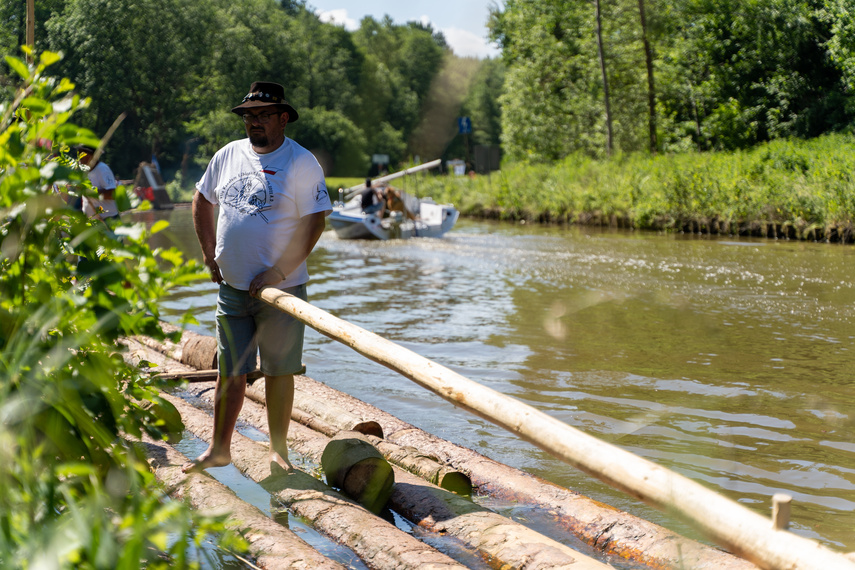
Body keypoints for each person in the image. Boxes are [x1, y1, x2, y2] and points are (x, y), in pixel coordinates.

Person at [184, 81, 332, 474]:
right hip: (232, 289)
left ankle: (277, 452)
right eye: (249, 116)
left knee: (279, 372)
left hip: (282, 292)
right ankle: (219, 449)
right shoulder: (228, 154)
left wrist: (278, 270)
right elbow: (201, 199)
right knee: (229, 373)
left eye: (263, 115)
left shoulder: (302, 162)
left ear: (284, 118)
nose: (254, 123)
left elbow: (314, 222)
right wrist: (208, 251)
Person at [77, 145, 119, 220]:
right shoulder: (85, 171)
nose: (79, 157)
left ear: (91, 155)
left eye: (82, 153)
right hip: (93, 220)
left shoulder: (102, 169)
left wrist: (89, 192)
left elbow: (111, 195)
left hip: (107, 219)